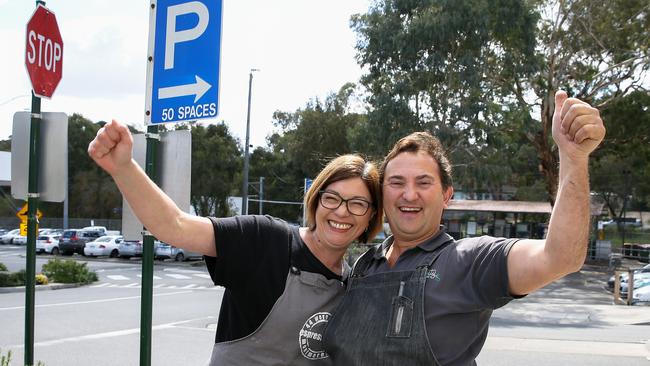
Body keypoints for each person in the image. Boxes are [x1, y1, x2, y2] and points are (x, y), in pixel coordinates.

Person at [323, 90, 606, 365]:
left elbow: (560, 257)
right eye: (396, 183)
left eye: (423, 183)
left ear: (447, 196)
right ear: (383, 193)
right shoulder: (363, 266)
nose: (409, 195)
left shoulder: (471, 260)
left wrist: (574, 157)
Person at [87, 120, 384, 365]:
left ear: (370, 217)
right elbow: (174, 225)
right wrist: (124, 168)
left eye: (357, 204)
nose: (342, 211)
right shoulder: (264, 240)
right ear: (315, 200)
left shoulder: (353, 285)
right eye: (331, 198)